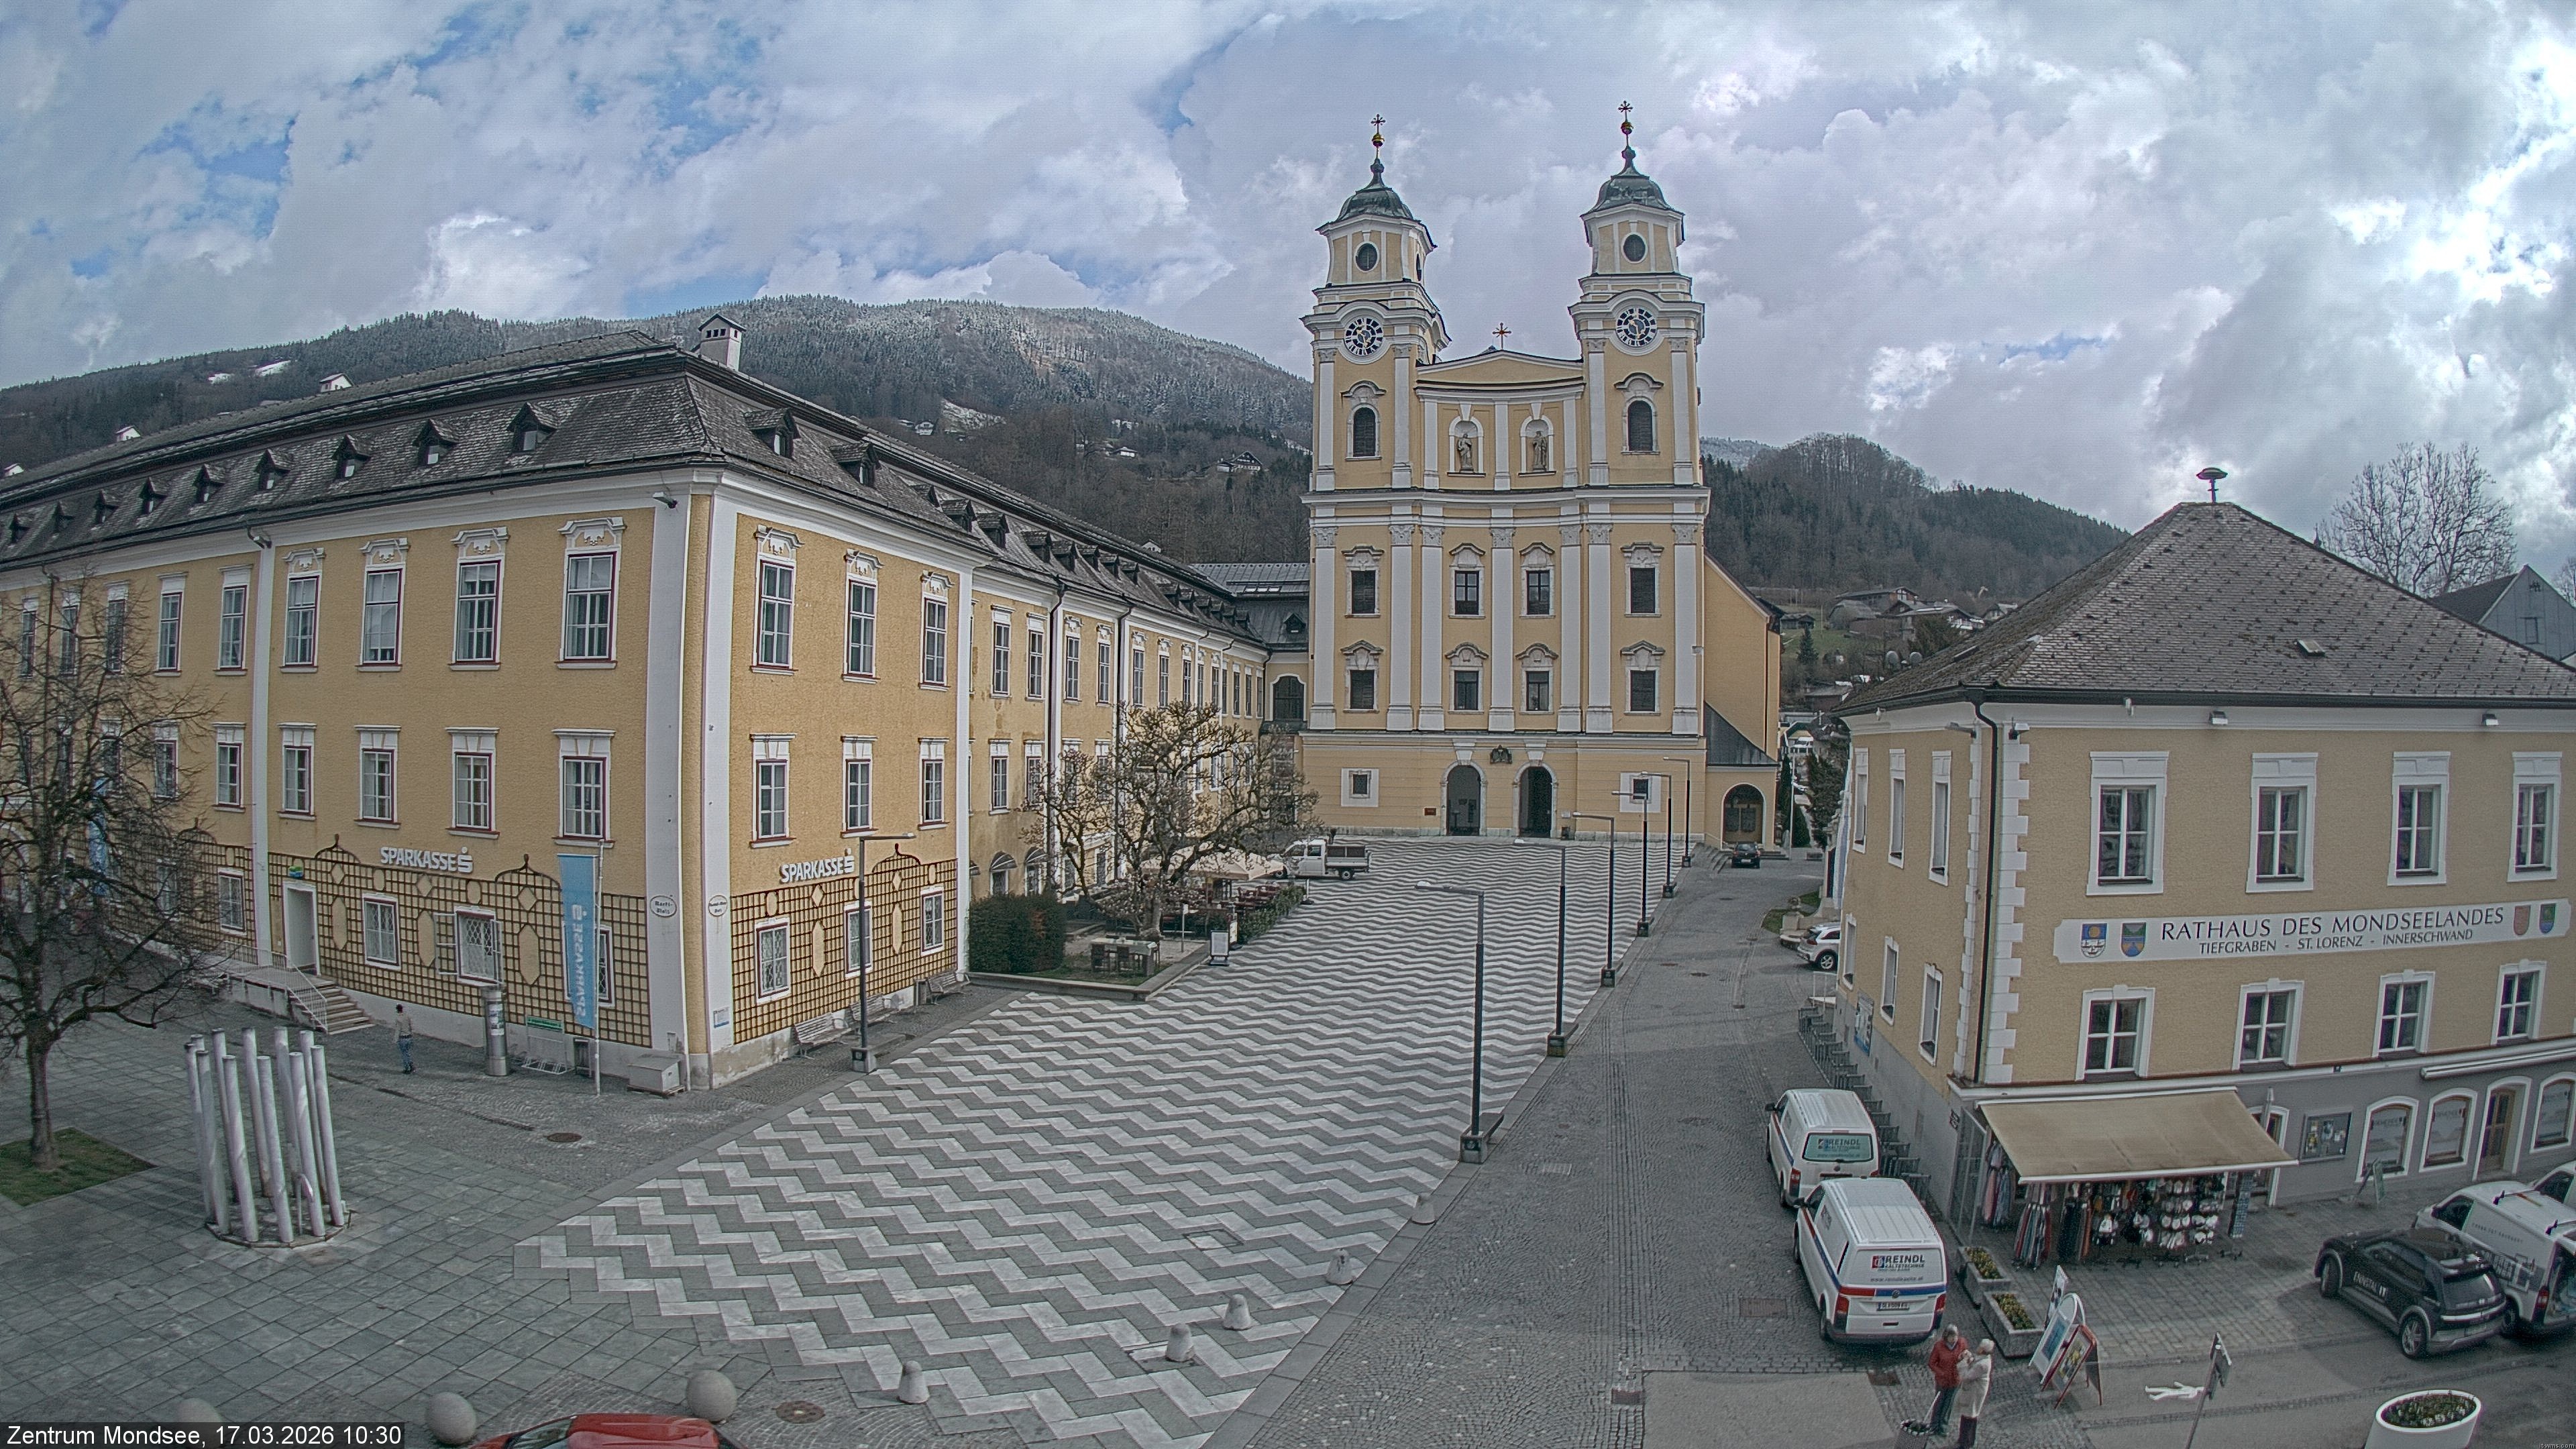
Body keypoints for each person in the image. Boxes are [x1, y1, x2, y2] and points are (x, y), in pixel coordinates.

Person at [1953, 1338, 1994, 1448]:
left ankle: (1965, 1443)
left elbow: (1967, 1377)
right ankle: (1967, 1440)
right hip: (1975, 1391)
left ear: (1983, 1350)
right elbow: (1975, 1360)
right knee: (1970, 1415)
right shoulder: (1984, 1359)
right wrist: (1970, 1358)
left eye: (1980, 1347)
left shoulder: (1982, 1365)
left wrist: (1963, 1364)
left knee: (1968, 1416)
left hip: (1974, 1392)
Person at [1924, 1324, 1964, 1435]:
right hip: (1942, 1381)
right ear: (1946, 1336)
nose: (1954, 1340)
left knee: (1948, 1404)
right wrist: (1941, 1373)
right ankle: (1934, 1425)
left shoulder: (1961, 1343)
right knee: (1939, 1403)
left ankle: (1943, 1426)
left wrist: (1966, 1357)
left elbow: (1965, 1355)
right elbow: (1932, 1363)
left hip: (1955, 1380)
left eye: (1955, 1337)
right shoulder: (1939, 1346)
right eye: (1952, 1337)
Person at [394, 1004, 415, 1073]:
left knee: (404, 1053)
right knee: (407, 1052)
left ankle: (407, 1068)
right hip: (409, 1037)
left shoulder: (398, 1019)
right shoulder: (407, 1016)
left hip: (403, 1038)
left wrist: (396, 1039)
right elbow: (411, 1026)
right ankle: (411, 1065)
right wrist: (412, 1034)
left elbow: (398, 1029)